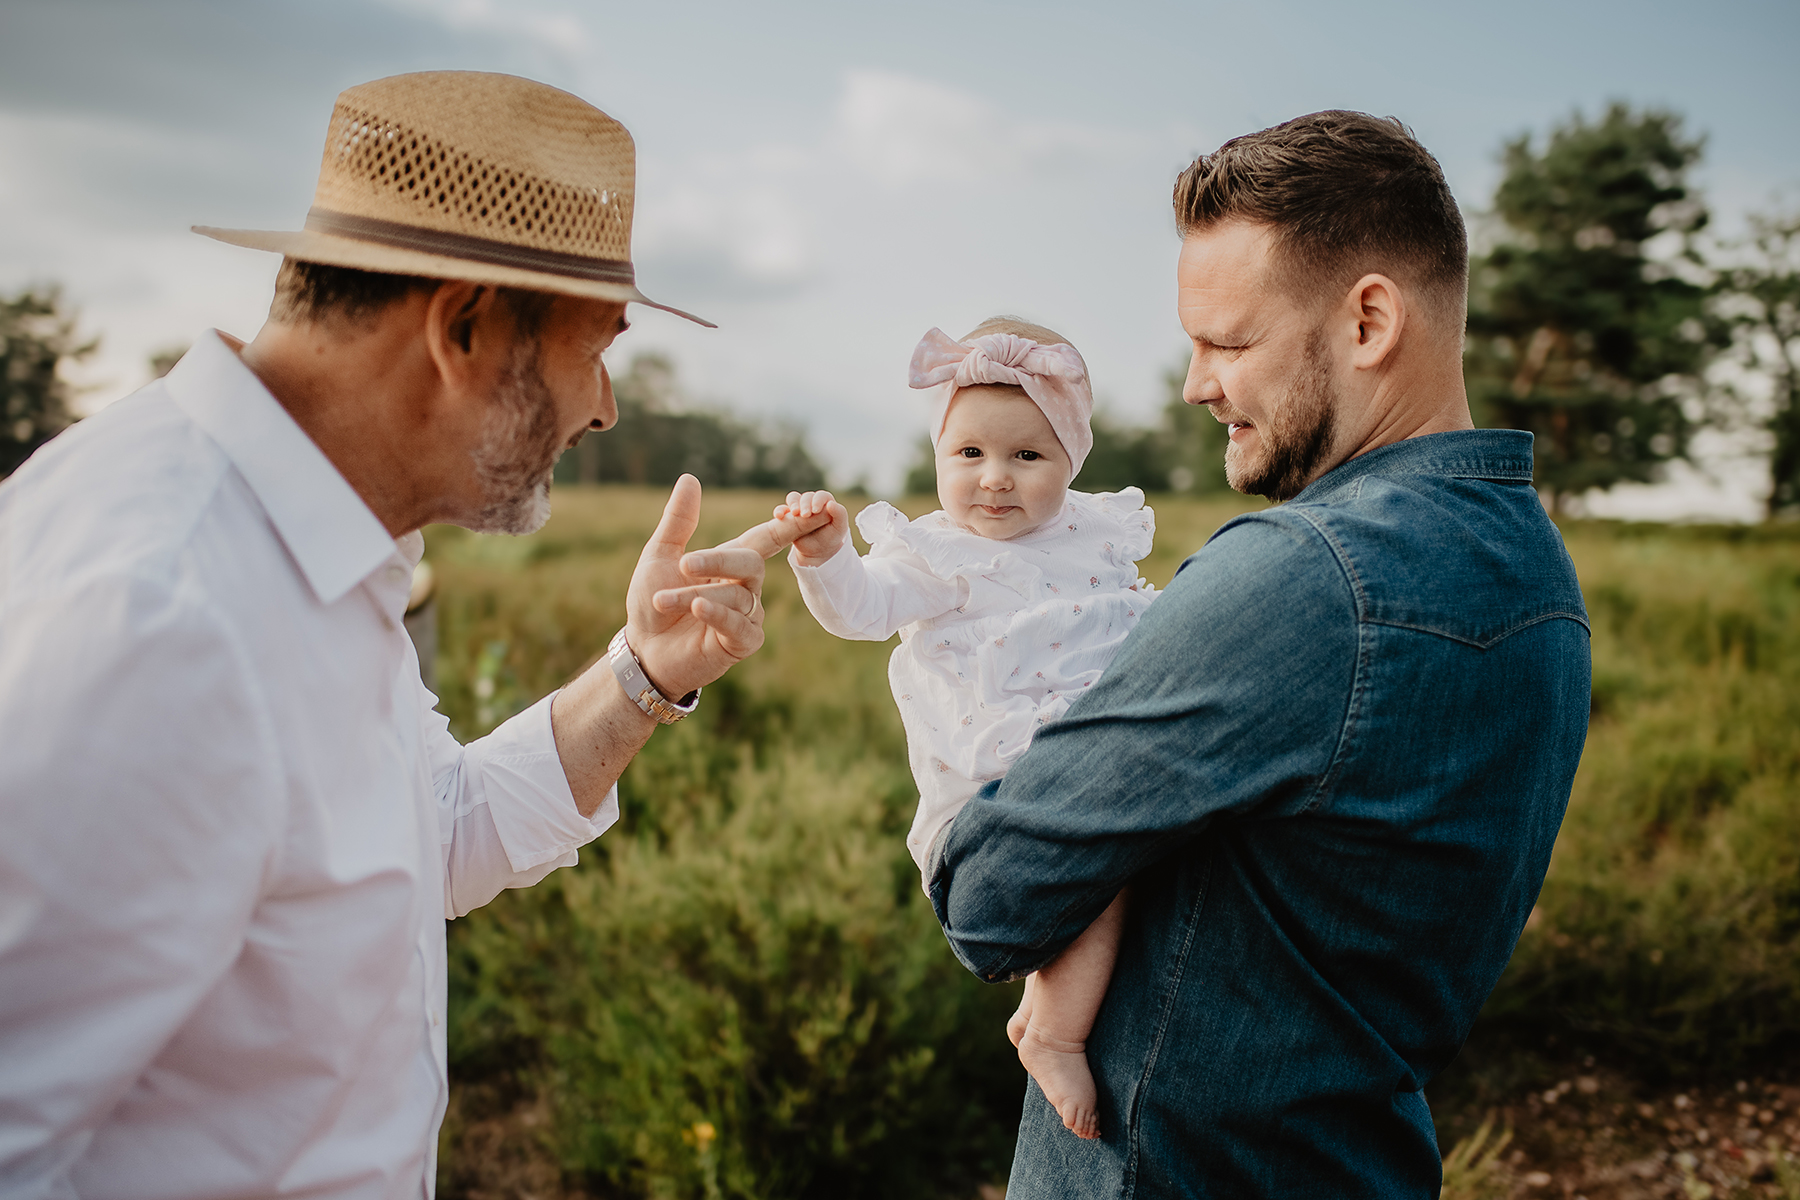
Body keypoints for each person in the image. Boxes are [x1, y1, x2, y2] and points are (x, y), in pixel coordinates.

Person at [0, 71, 775, 1199]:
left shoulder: (316, 549)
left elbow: (432, 833)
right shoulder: (162, 617)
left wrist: (646, 676)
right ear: (462, 328)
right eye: (593, 346)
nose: (605, 405)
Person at [928, 112, 1593, 1197]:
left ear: (1369, 319)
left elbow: (991, 899)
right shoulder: (1538, 578)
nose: (1196, 385)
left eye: (1229, 343)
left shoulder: (1304, 575)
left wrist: (965, 692)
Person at [759, 317, 1156, 1140]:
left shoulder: (1096, 536)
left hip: (1084, 760)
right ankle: (1052, 1031)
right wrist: (824, 557)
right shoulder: (935, 554)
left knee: (1144, 858)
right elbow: (860, 612)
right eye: (968, 454)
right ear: (939, 458)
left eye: (1027, 456)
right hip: (992, 794)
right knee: (1115, 860)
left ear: (1070, 463)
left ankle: (1053, 1019)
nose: (994, 480)